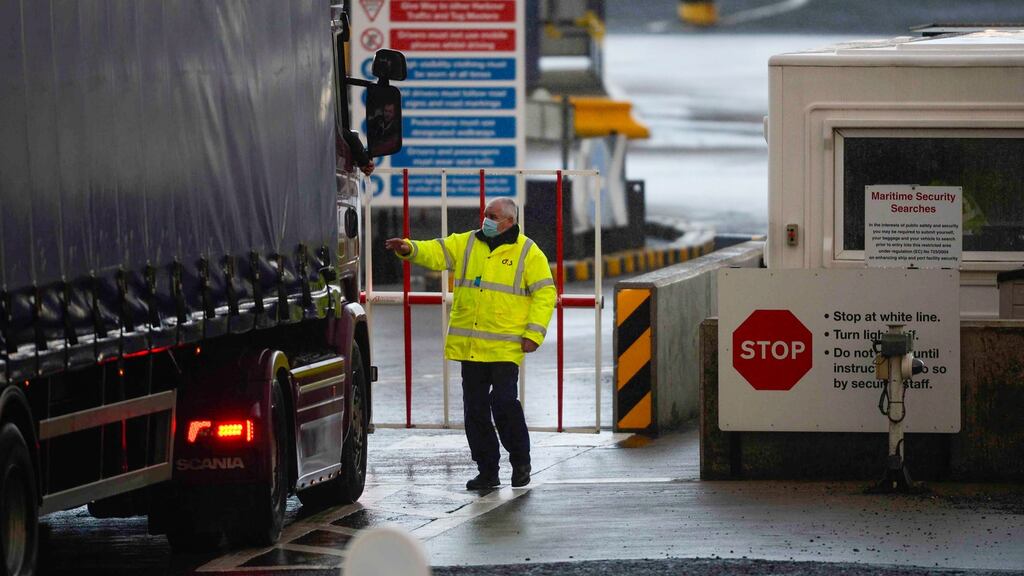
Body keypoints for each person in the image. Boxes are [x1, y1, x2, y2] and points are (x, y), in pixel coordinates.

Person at [384, 198, 555, 489]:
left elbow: (545, 293)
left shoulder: (528, 252)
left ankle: (520, 461)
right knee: (474, 411)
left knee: (504, 404)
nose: (486, 219)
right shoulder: (467, 243)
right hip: (471, 347)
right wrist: (409, 248)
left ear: (509, 222)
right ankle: (487, 470)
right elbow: (437, 251)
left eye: (493, 216)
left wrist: (533, 334)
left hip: (505, 347)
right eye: (485, 214)